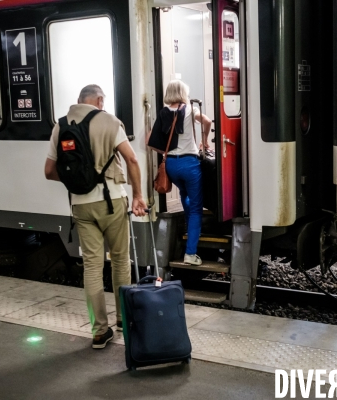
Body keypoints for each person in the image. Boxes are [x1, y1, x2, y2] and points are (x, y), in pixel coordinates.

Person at [44, 84, 147, 349]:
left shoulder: (61, 125)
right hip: (111, 201)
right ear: (99, 100)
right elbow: (132, 160)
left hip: (80, 205)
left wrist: (78, 183)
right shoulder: (110, 121)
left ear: (79, 101)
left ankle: (99, 332)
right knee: (120, 260)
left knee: (92, 266)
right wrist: (138, 196)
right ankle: (124, 320)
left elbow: (49, 171)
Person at [148, 80, 211, 266]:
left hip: (171, 167)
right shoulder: (191, 109)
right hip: (189, 164)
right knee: (197, 208)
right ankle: (190, 254)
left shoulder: (163, 113)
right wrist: (204, 140)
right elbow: (207, 121)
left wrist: (167, 153)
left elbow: (152, 143)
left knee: (185, 195)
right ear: (184, 92)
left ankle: (189, 225)